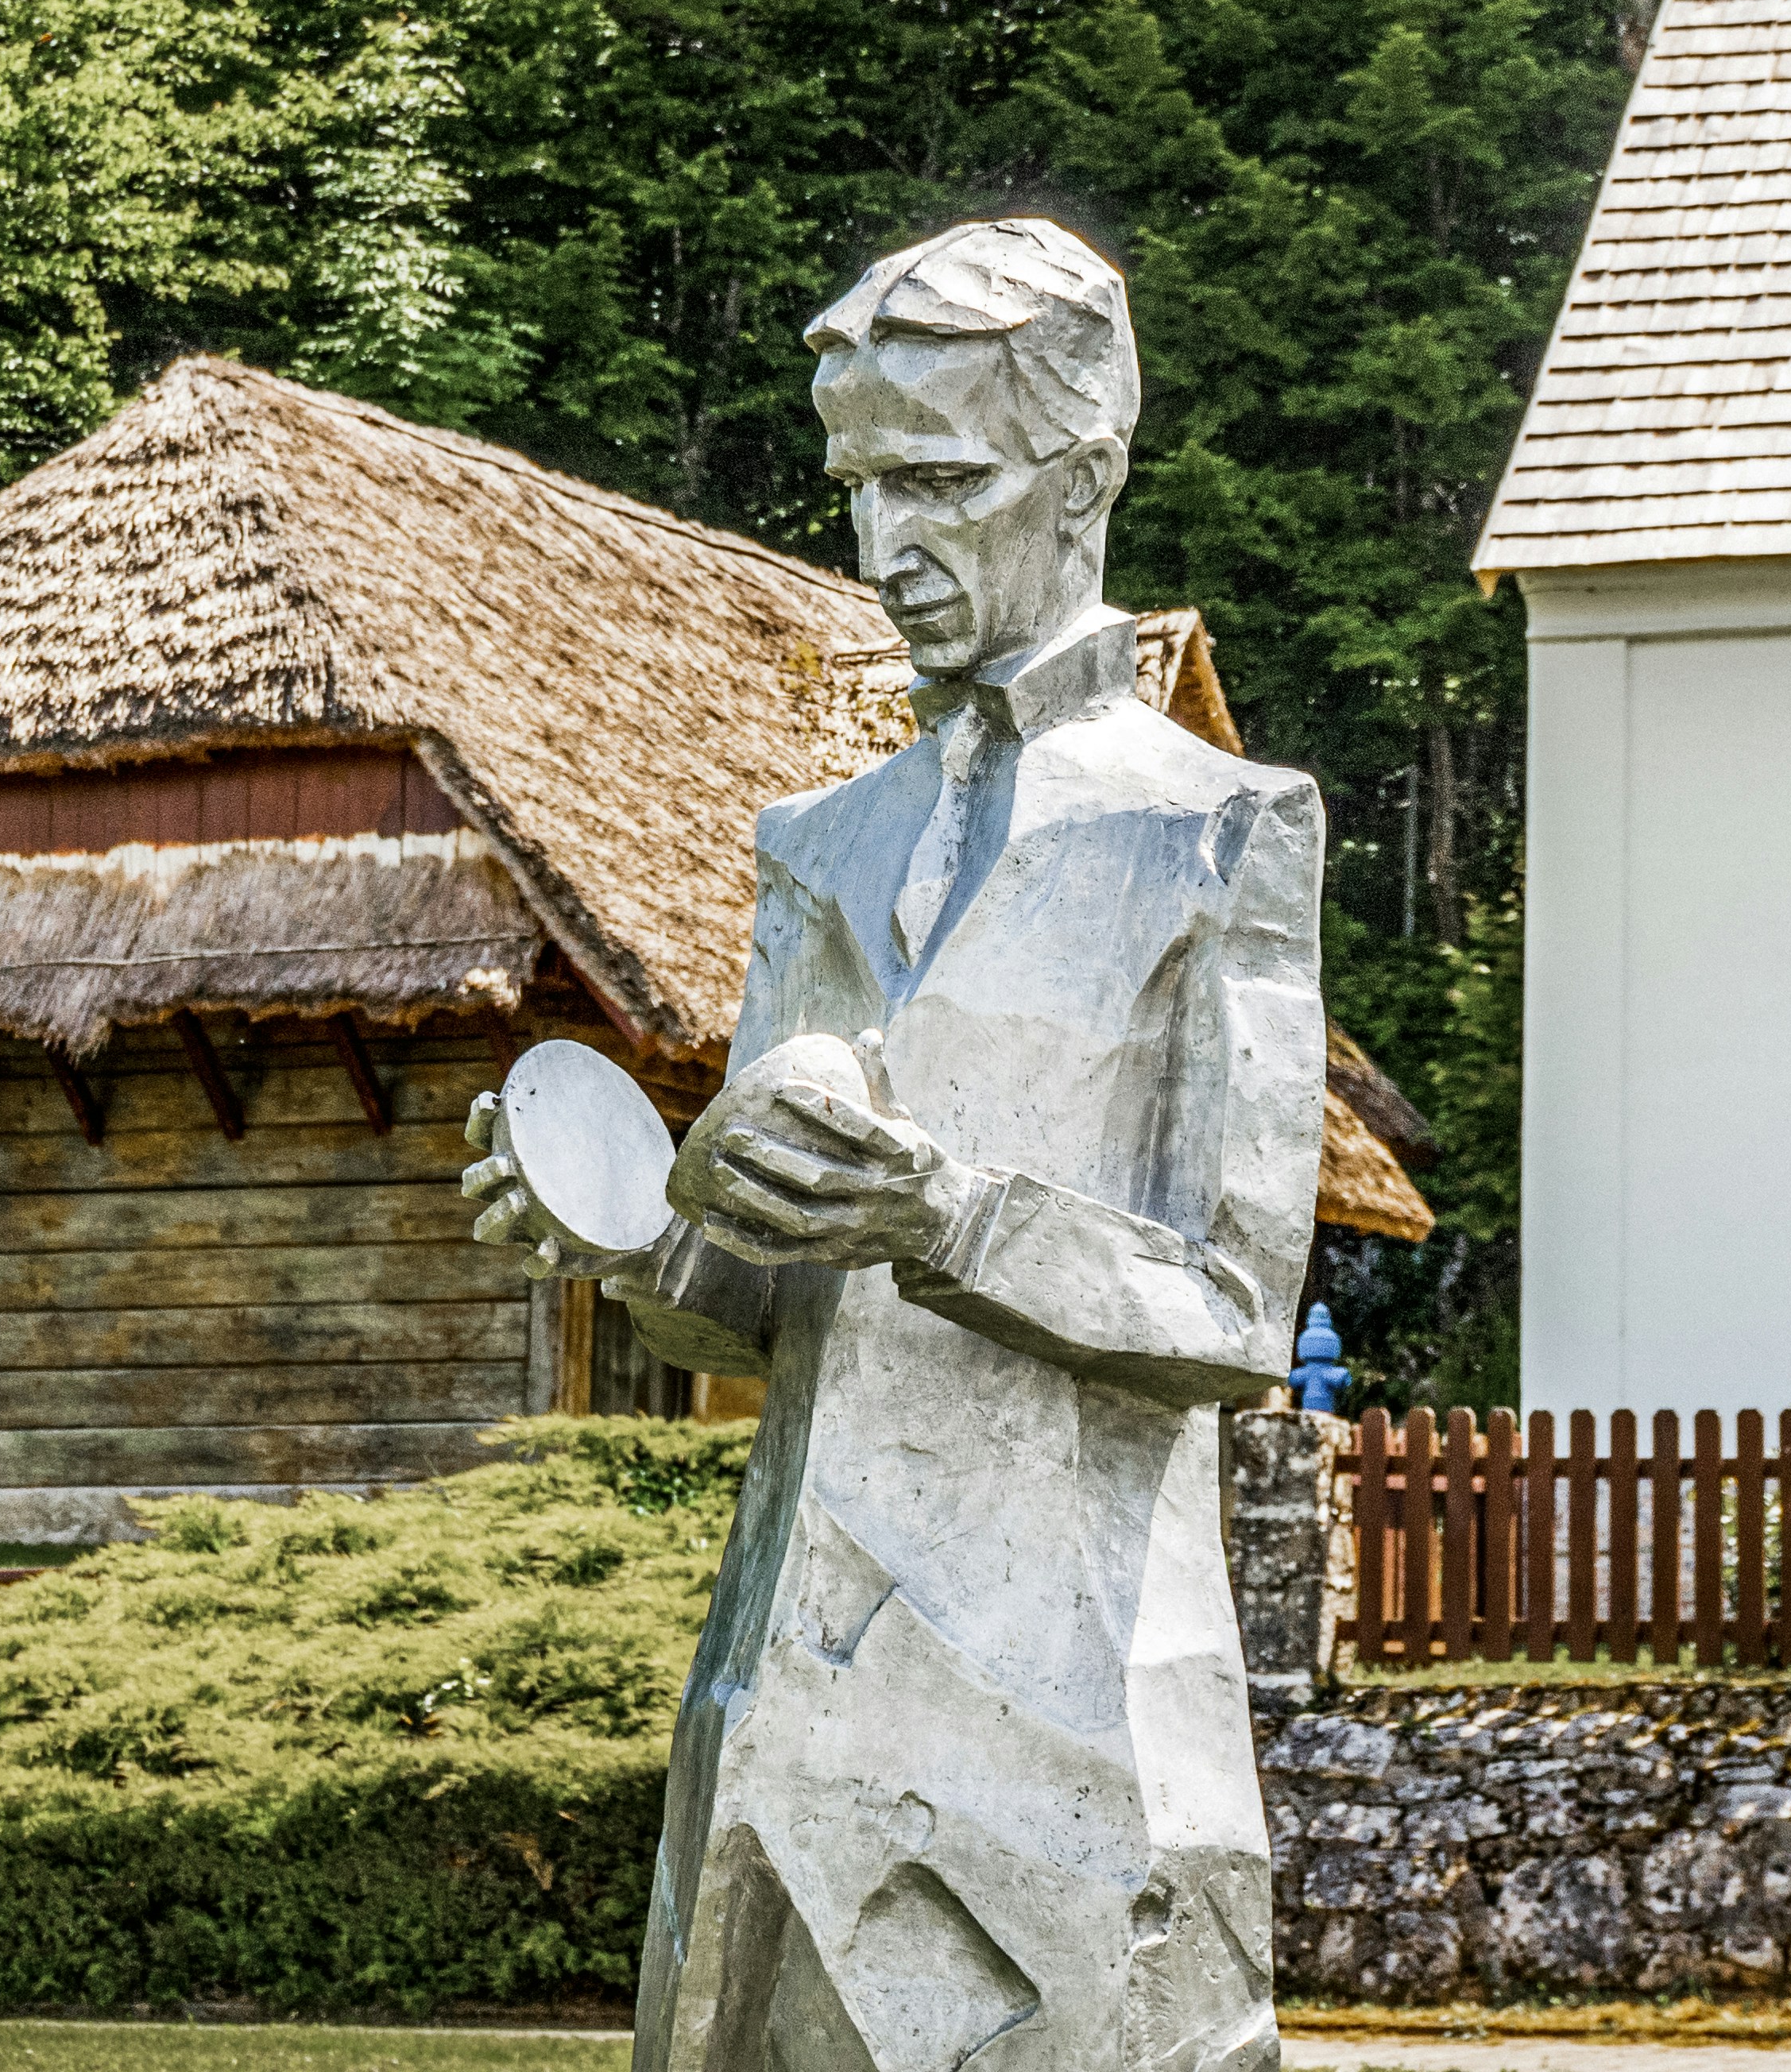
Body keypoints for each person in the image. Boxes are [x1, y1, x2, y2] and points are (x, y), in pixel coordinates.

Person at [466, 216, 1323, 2072]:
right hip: (787, 1686)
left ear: (1084, 471)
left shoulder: (1217, 830)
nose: (879, 546)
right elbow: (767, 1304)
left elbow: (1239, 1312)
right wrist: (630, 1236)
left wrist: (943, 1208)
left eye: (938, 478)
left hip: (1075, 1698)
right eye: (856, 484)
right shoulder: (819, 844)